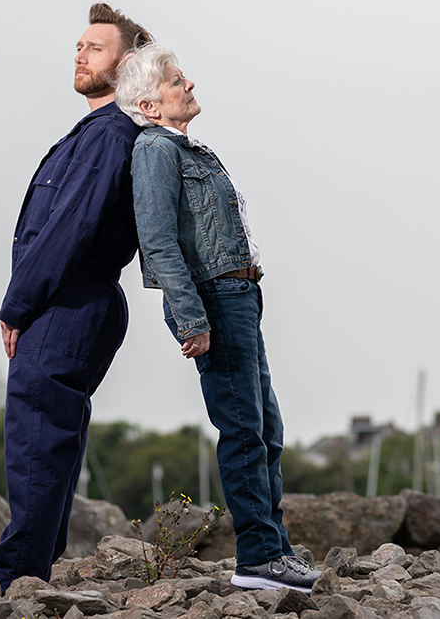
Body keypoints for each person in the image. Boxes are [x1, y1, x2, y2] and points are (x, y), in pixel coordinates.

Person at [115, 43, 320, 594]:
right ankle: (257, 556)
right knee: (243, 429)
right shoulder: (156, 152)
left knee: (265, 428)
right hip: (214, 300)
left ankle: (272, 547)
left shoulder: (185, 148)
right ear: (151, 105)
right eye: (178, 81)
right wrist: (190, 318)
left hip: (238, 297)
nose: (190, 86)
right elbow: (156, 243)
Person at [0, 4, 153, 590]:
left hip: (71, 299)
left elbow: (69, 227)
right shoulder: (98, 132)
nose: (80, 54)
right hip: (75, 299)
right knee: (50, 431)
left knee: (37, 428)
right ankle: (32, 562)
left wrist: (17, 303)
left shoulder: (109, 134)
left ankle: (15, 568)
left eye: (95, 47)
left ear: (125, 63)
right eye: (77, 46)